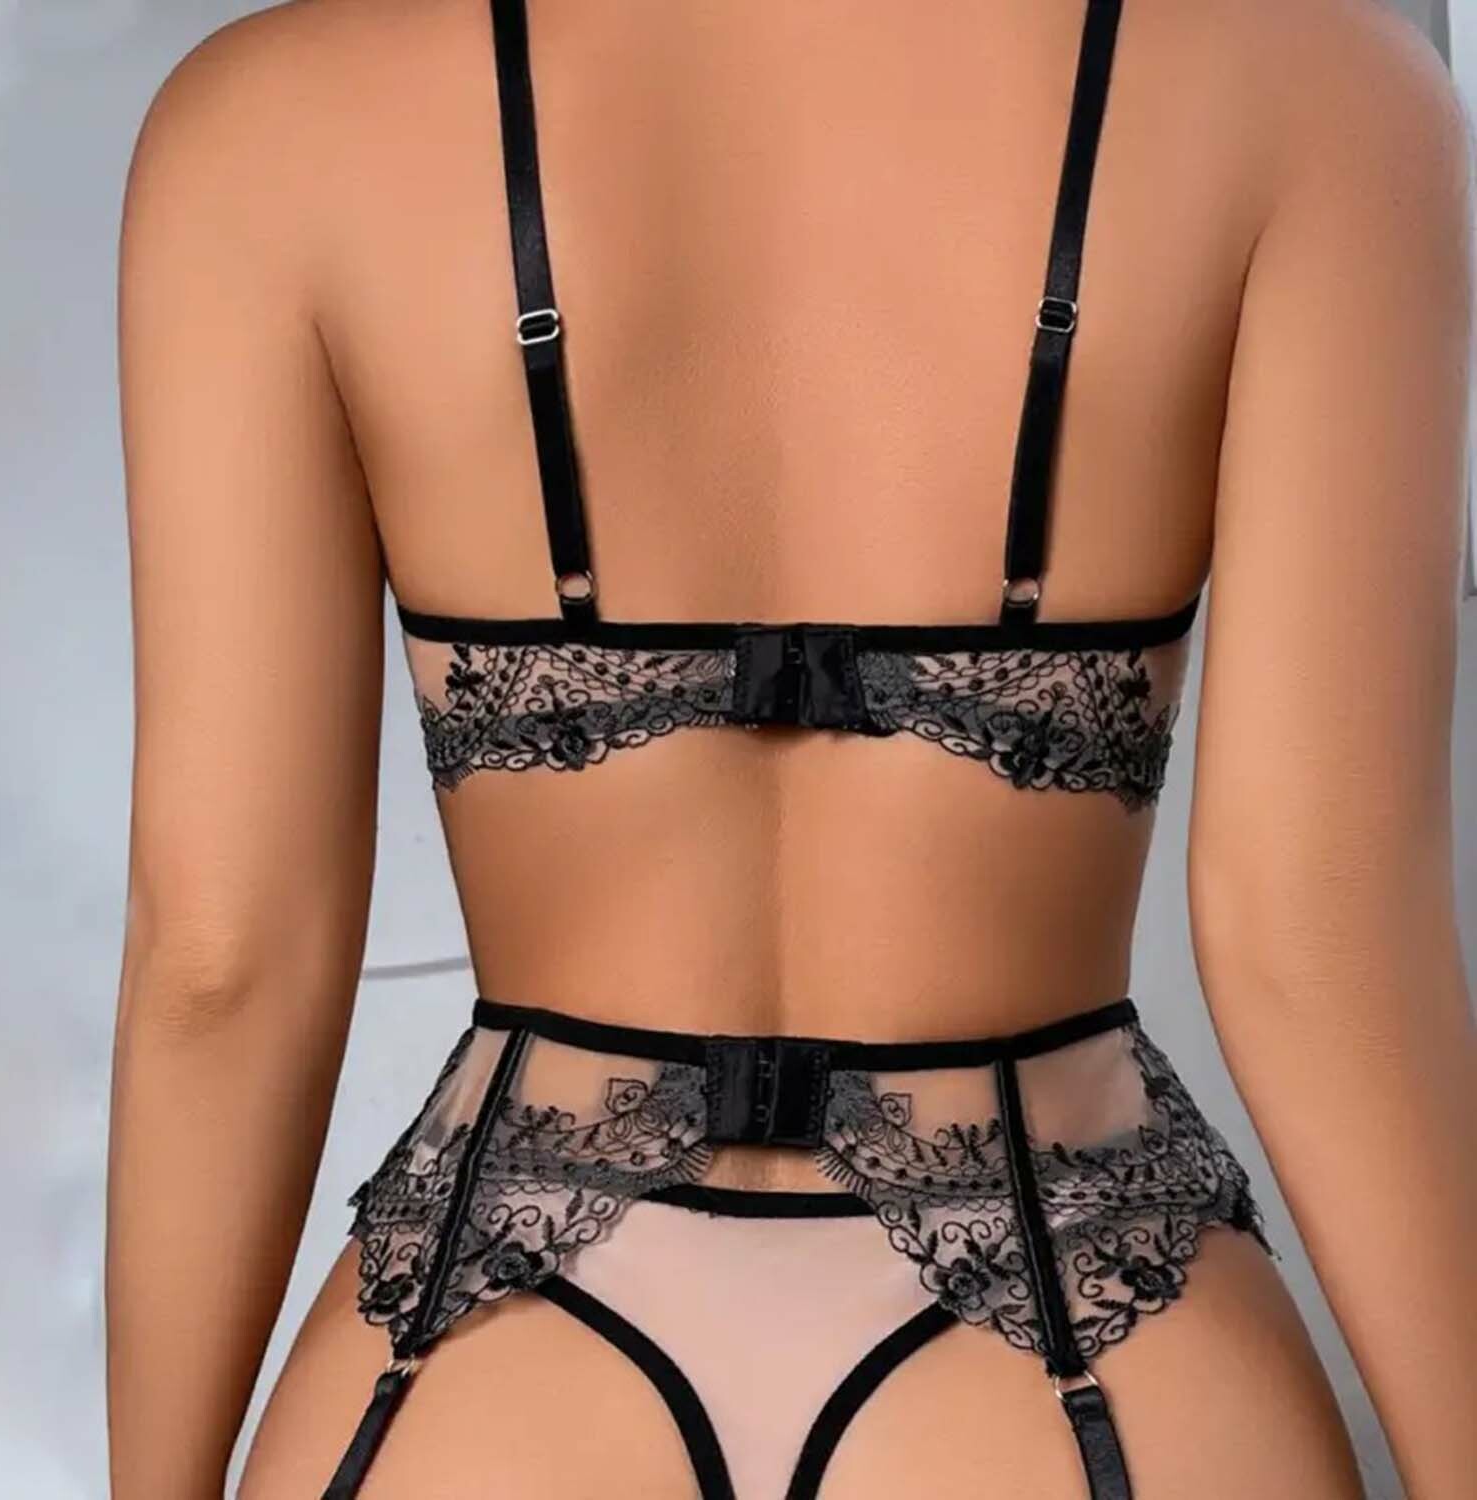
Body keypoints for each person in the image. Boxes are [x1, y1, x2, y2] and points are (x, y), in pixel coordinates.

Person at [106, 1, 1476, 1496]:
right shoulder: (1323, 91)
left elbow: (224, 960)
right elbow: (1317, 941)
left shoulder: (262, 131)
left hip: (477, 1373)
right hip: (1082, 1364)